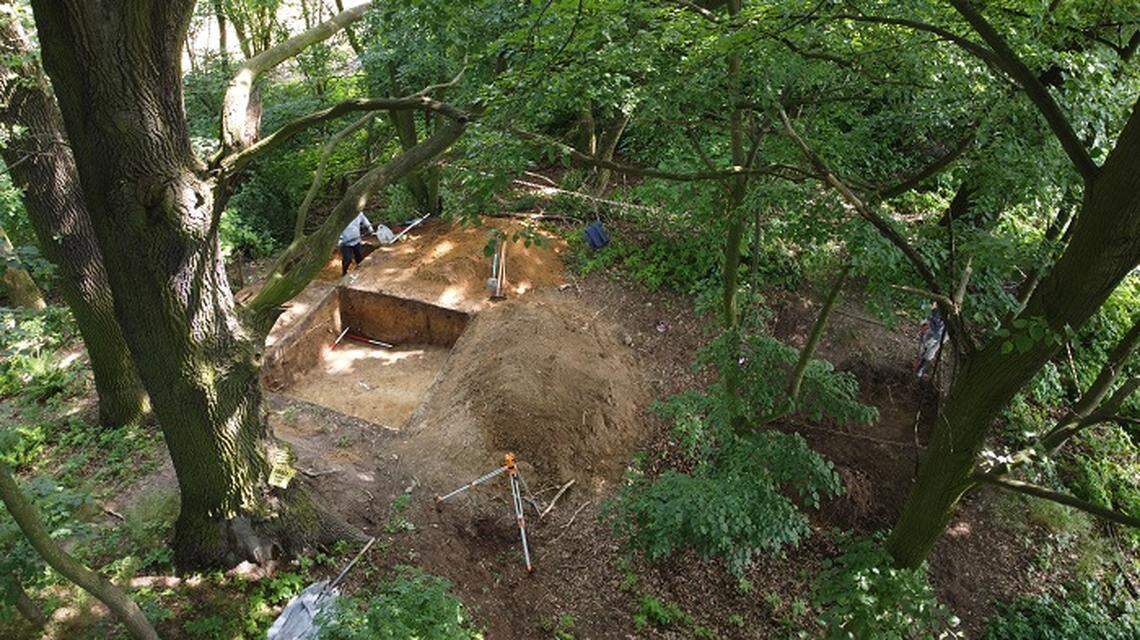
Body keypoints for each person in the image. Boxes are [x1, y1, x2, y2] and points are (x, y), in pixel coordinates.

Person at [914, 303, 947, 380]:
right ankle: (918, 369)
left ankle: (920, 370)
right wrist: (924, 325)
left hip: (942, 333)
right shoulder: (927, 307)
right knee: (923, 350)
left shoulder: (946, 311)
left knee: (930, 351)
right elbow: (924, 321)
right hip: (931, 331)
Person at [338, 211, 374, 276]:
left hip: (357, 241)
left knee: (360, 257)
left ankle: (360, 273)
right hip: (345, 243)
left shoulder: (358, 213)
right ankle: (344, 272)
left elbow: (364, 219)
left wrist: (369, 227)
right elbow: (337, 229)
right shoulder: (341, 216)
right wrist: (339, 240)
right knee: (347, 259)